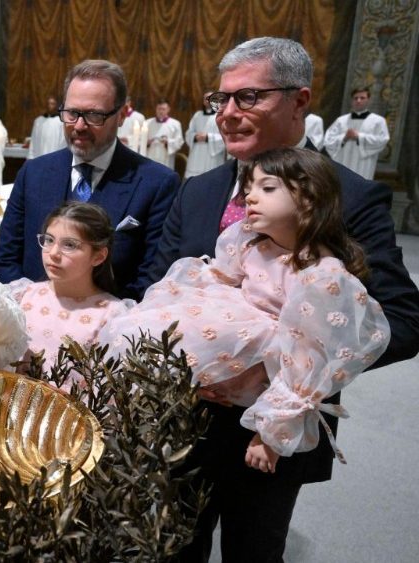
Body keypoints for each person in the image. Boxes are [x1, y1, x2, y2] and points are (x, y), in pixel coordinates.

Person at [146, 37, 419, 563]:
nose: (227, 114)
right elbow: (158, 286)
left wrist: (290, 362)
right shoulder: (198, 190)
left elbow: (404, 320)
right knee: (171, 547)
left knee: (254, 550)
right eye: (219, 100)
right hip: (181, 417)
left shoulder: (349, 195)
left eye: (247, 98)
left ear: (300, 100)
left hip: (274, 428)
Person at [107, 147, 389, 463]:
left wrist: (271, 434)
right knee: (145, 327)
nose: (250, 197)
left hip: (266, 357)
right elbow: (218, 278)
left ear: (309, 199)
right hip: (230, 336)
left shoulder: (322, 276)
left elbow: (307, 362)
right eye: (249, 188)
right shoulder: (249, 239)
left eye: (266, 188)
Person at [0, 59, 180, 300]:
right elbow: (7, 257)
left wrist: (99, 318)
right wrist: (32, 306)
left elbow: (153, 277)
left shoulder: (156, 183)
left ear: (121, 115)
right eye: (72, 113)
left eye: (94, 115)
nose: (79, 126)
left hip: (111, 328)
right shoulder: (34, 173)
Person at [13, 202, 131, 386]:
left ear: (98, 256)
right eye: (49, 240)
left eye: (69, 245)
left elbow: (106, 390)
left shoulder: (111, 315)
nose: (53, 253)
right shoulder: (23, 296)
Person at [323, 87, 390, 180]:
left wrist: (359, 137)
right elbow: (328, 140)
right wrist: (344, 137)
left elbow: (382, 140)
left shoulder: (378, 121)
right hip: (343, 162)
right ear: (352, 100)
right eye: (355, 98)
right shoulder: (341, 120)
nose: (358, 100)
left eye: (362, 98)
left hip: (364, 165)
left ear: (368, 100)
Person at [184, 91, 226, 177]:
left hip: (212, 158)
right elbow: (189, 133)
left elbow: (226, 136)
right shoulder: (197, 115)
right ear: (203, 101)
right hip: (197, 156)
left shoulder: (221, 116)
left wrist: (208, 137)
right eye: (205, 99)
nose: (208, 100)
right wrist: (195, 137)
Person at [144, 99, 185, 169]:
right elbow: (141, 140)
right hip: (150, 155)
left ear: (168, 109)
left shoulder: (175, 124)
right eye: (159, 109)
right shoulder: (147, 123)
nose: (161, 111)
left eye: (163, 109)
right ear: (156, 109)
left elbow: (179, 141)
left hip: (166, 158)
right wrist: (147, 143)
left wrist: (167, 142)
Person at [27, 94, 65, 159]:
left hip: (54, 158)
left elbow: (62, 142)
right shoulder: (38, 121)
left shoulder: (60, 122)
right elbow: (33, 140)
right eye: (48, 103)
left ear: (56, 106)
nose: (50, 106)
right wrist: (30, 157)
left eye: (52, 104)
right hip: (39, 156)